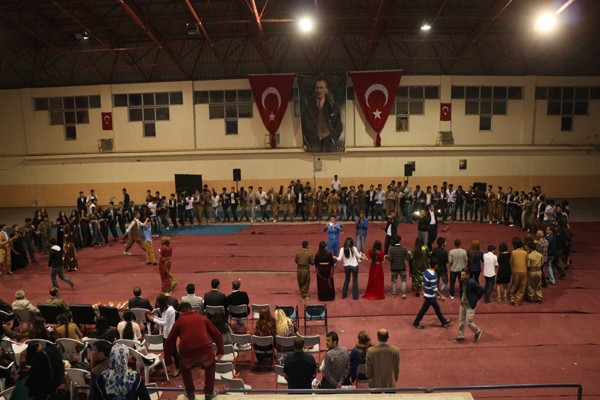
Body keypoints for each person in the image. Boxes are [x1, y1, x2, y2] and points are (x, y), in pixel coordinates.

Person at [164, 302, 223, 400]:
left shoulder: (179, 322)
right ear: (191, 309)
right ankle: (209, 393)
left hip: (186, 352)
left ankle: (190, 393)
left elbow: (169, 342)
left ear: (181, 312)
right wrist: (220, 350)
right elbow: (217, 335)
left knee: (184, 368)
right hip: (204, 350)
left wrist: (168, 362)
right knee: (211, 366)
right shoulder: (202, 318)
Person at [302, 78, 344, 153]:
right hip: (314, 142)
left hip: (328, 141)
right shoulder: (309, 107)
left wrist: (332, 139)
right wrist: (309, 139)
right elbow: (305, 124)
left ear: (326, 90)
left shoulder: (333, 107)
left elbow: (339, 127)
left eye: (321, 88)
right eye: (317, 88)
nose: (319, 90)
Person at [412, 258, 452, 329]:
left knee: (436, 308)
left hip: (428, 295)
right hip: (430, 296)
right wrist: (441, 296)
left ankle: (444, 322)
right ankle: (416, 323)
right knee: (425, 310)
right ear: (436, 265)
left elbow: (423, 282)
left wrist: (422, 291)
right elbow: (435, 289)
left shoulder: (426, 271)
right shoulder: (433, 275)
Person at [147, 294, 180, 376]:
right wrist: (154, 317)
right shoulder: (166, 309)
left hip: (170, 333)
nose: (157, 304)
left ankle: (178, 367)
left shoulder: (169, 310)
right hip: (166, 332)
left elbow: (164, 323)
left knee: (173, 351)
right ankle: (172, 365)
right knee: (168, 350)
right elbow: (162, 319)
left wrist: (153, 320)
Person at [453, 268, 484, 343]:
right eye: (461, 275)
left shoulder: (472, 283)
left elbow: (481, 290)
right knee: (461, 321)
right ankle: (460, 336)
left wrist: (475, 299)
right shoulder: (461, 281)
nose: (461, 276)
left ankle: (478, 331)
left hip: (470, 305)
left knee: (469, 322)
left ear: (468, 275)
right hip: (462, 304)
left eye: (463, 275)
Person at [509, 237, 528, 307]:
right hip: (523, 271)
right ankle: (517, 301)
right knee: (522, 287)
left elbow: (510, 262)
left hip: (515, 271)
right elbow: (527, 263)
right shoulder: (525, 253)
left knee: (515, 285)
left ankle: (512, 298)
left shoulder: (513, 252)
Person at [525, 236, 544, 303]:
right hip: (539, 271)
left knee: (531, 285)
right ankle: (539, 297)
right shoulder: (540, 255)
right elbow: (542, 264)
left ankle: (531, 297)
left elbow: (528, 265)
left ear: (530, 248)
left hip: (532, 271)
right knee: (538, 284)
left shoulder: (529, 256)